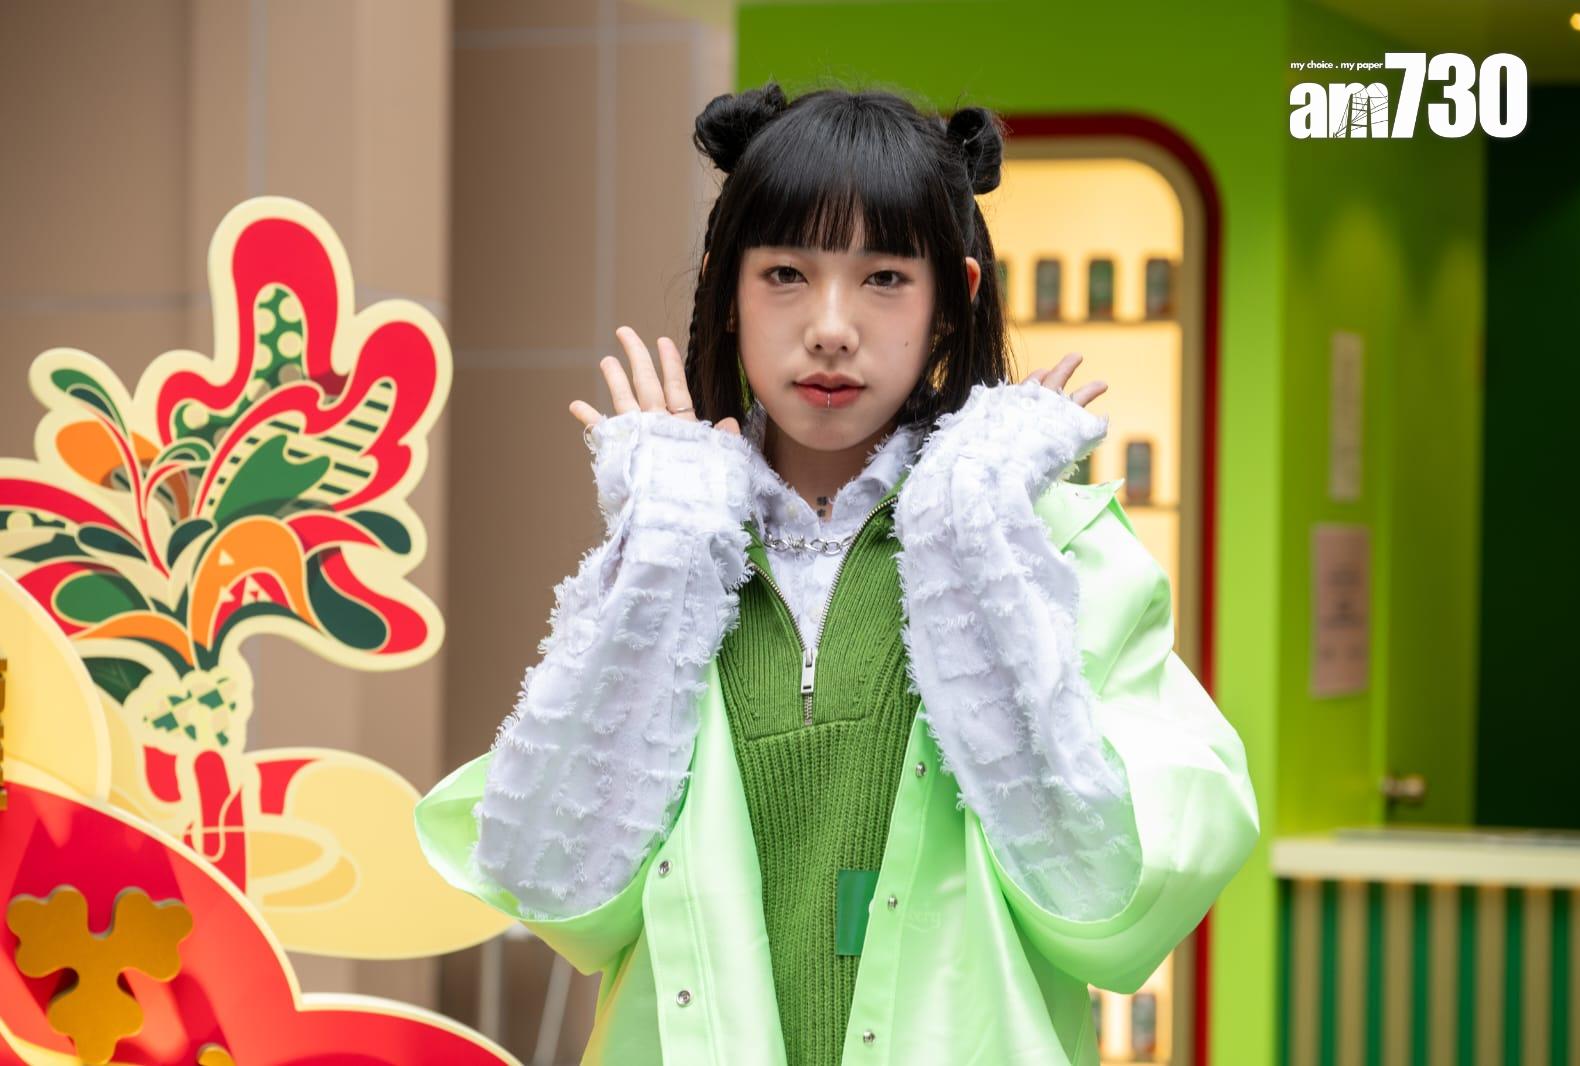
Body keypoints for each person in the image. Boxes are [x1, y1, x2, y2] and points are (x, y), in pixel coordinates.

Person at [415, 82, 1259, 1065]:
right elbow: (553, 882)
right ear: (725, 290)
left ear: (954, 300)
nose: (830, 326)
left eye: (884, 278)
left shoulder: (1053, 546)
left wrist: (975, 544)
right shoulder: (678, 542)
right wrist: (662, 558)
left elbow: (1106, 897)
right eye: (785, 273)